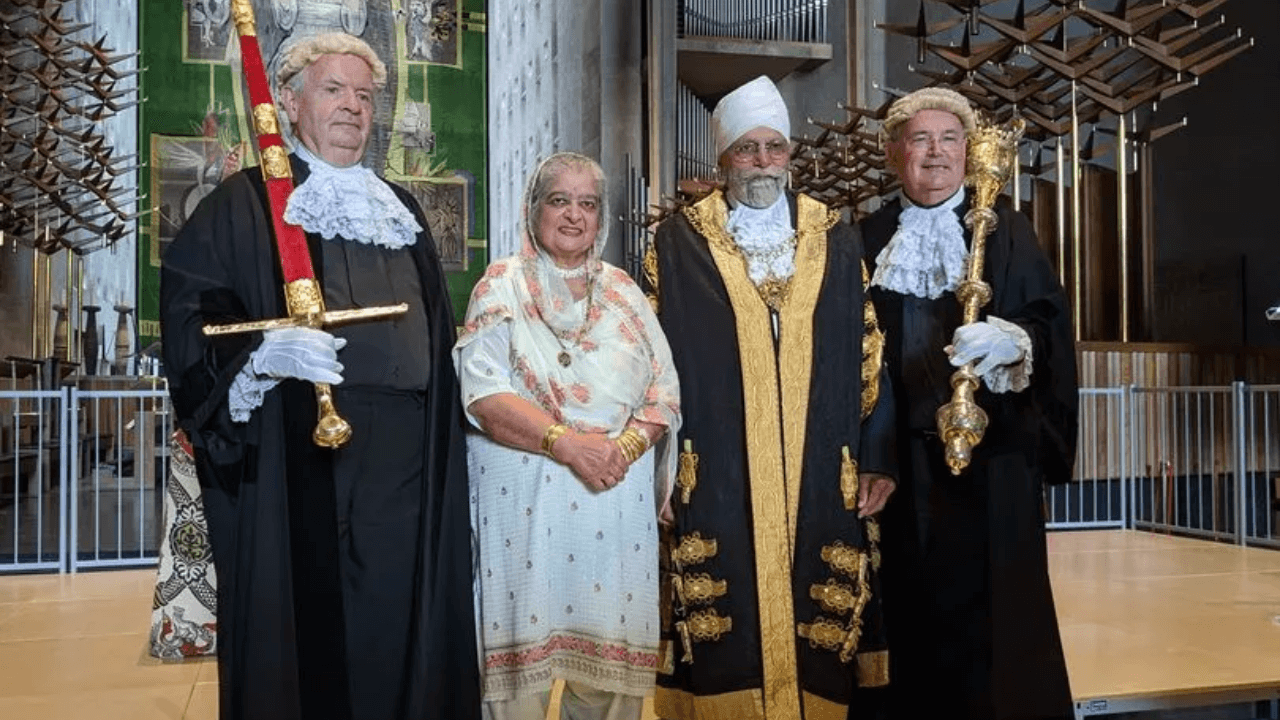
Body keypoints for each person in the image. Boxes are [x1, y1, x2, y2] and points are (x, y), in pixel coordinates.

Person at [160, 32, 479, 720]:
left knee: (406, 631)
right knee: (317, 646)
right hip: (305, 461)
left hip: (410, 467)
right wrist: (261, 358)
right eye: (334, 90)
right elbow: (192, 320)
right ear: (290, 102)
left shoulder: (401, 206)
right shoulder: (244, 206)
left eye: (365, 96)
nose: (353, 108)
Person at [645, 75, 897, 720]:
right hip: (717, 470)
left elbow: (871, 354)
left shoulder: (837, 240)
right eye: (746, 149)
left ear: (791, 155)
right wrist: (658, 470)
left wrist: (876, 457)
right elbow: (648, 367)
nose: (762, 163)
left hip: (822, 466)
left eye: (774, 148)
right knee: (728, 619)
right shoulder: (675, 245)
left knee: (819, 614)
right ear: (722, 159)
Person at [861, 86, 1078, 720]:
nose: (936, 153)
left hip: (993, 460)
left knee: (998, 622)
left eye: (949, 139)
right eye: (920, 140)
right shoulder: (865, 237)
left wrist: (1014, 342)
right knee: (905, 613)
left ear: (967, 151)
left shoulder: (1006, 230)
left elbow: (1050, 326)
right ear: (895, 154)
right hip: (900, 466)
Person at [453, 151, 682, 720]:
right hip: (523, 513)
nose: (574, 216)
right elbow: (482, 395)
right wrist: (567, 444)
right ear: (533, 211)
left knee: (607, 688)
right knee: (518, 693)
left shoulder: (626, 292)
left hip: (611, 501)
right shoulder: (500, 284)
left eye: (588, 204)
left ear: (601, 218)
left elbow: (664, 392)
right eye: (559, 200)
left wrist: (620, 449)